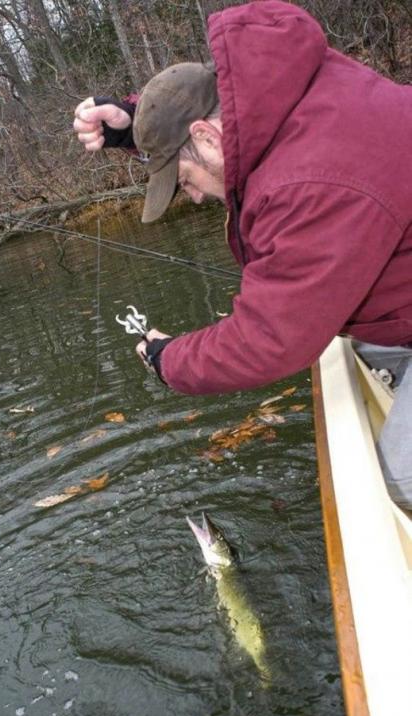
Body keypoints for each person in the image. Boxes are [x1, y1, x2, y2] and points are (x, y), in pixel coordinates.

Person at [73, 0, 412, 508]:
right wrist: (134, 123)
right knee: (369, 353)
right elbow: (217, 105)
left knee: (400, 475)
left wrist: (170, 361)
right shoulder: (295, 91)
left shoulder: (309, 184)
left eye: (183, 180)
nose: (191, 196)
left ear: (206, 136)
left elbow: (271, 340)